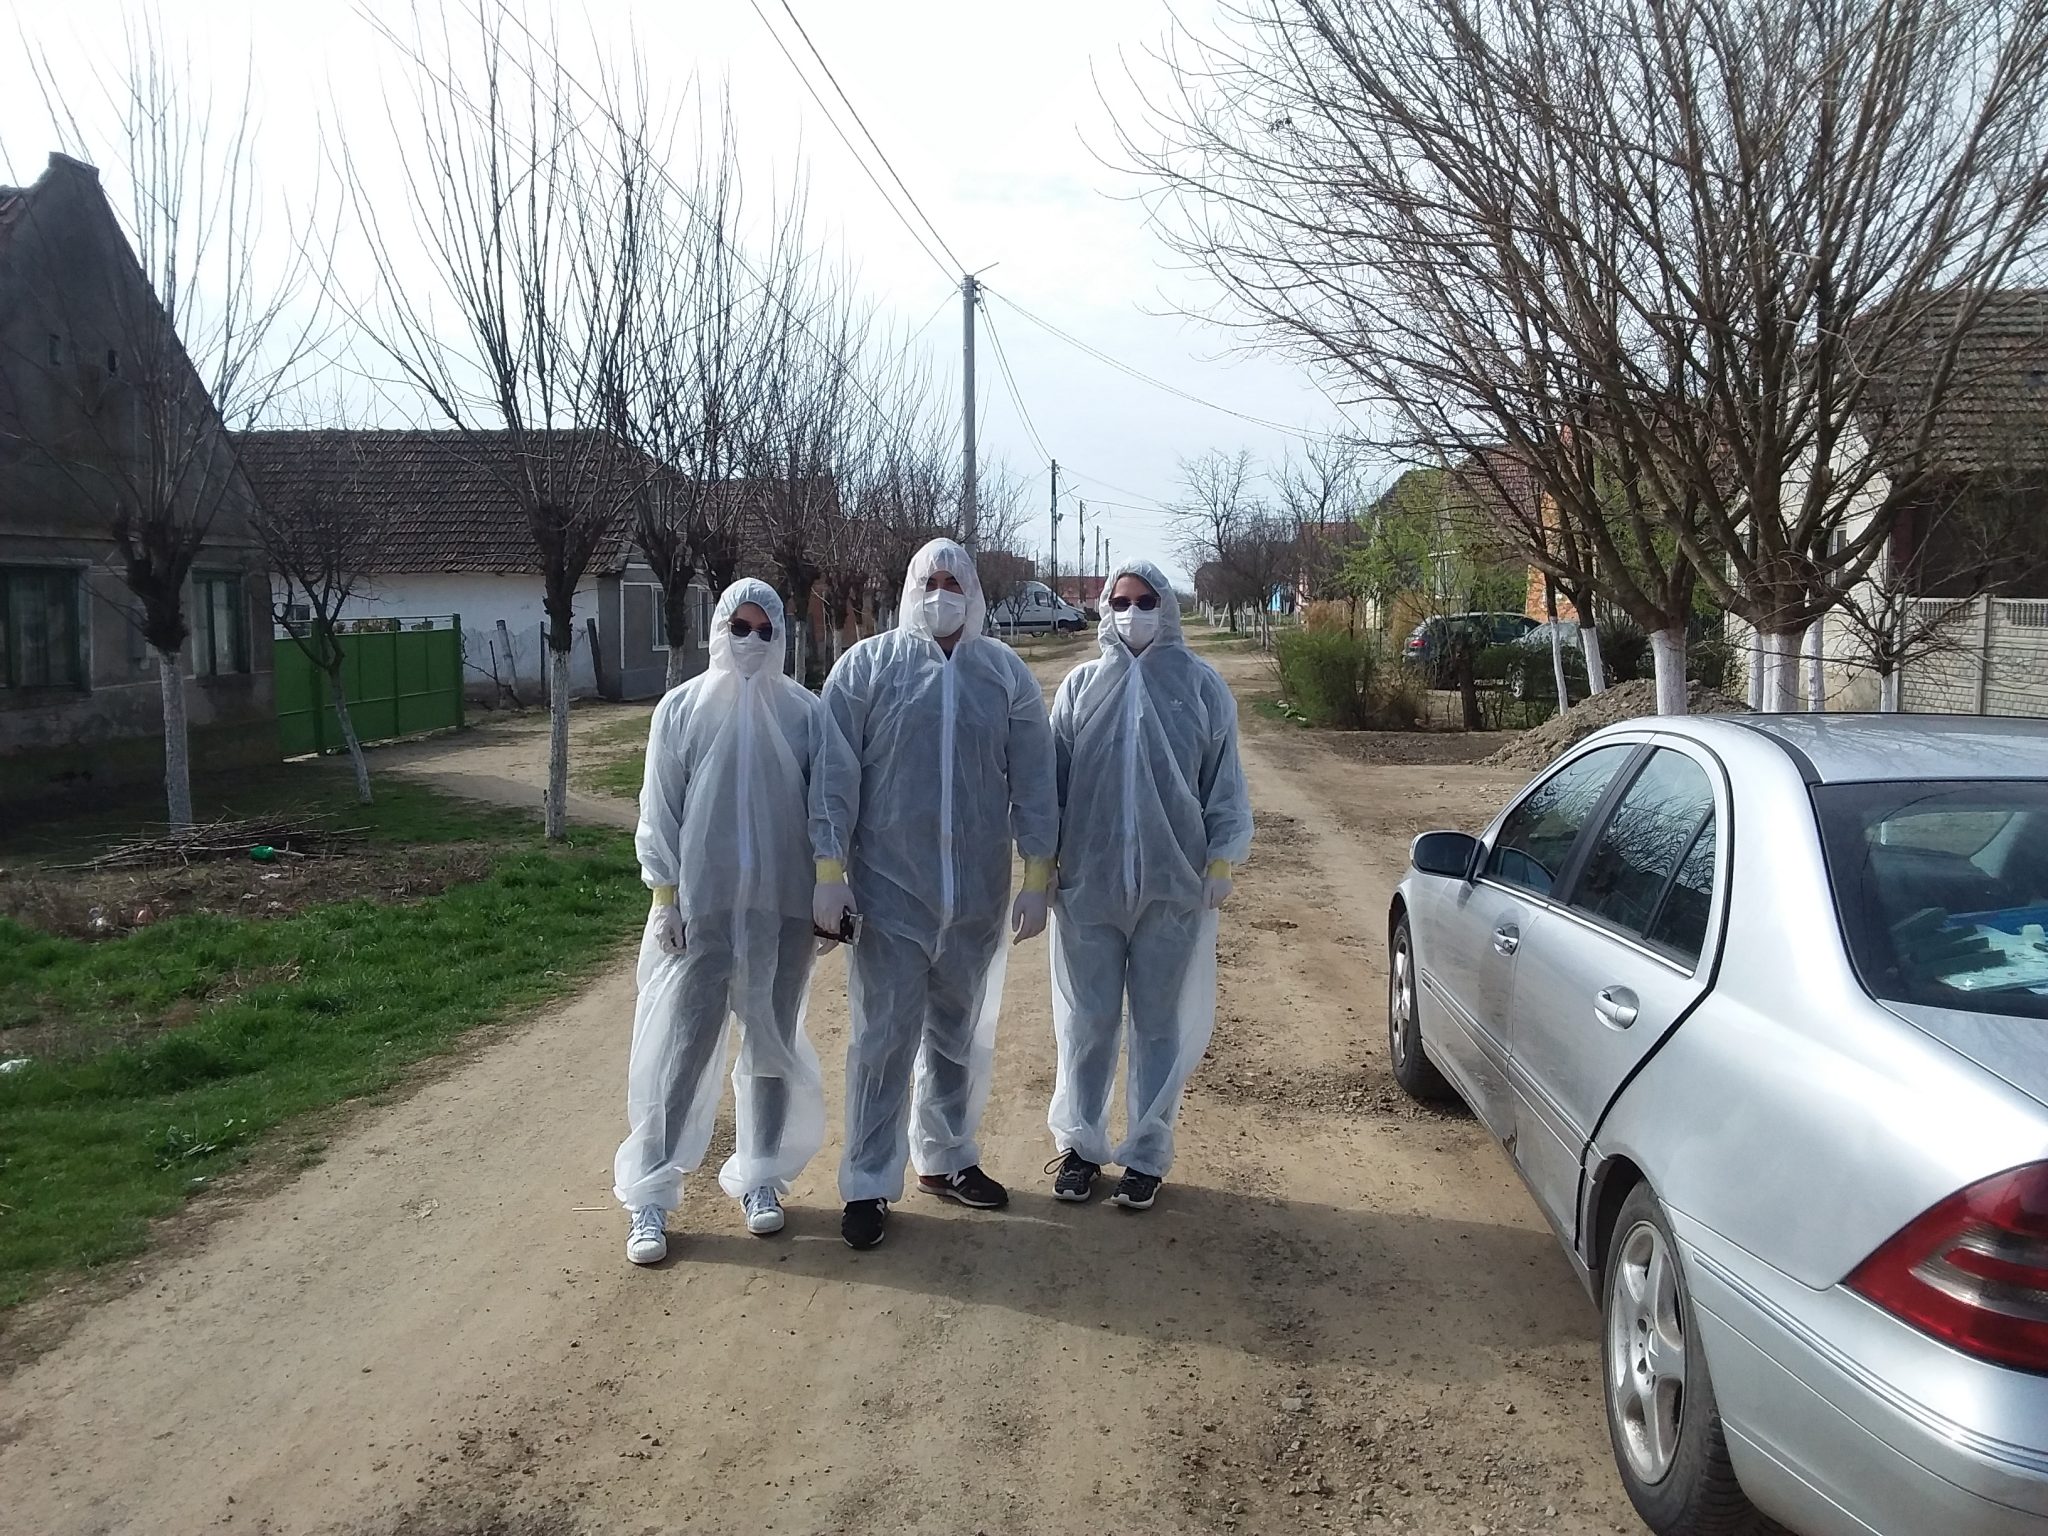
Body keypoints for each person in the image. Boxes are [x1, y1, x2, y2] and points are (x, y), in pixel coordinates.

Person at [811, 538, 1059, 1250]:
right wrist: (829, 874)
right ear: (910, 589)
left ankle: (946, 1158)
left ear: (974, 592)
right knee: (882, 1040)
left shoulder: (1003, 674)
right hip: (889, 894)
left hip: (974, 894)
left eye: (955, 582)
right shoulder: (865, 668)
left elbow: (1035, 781)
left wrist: (1036, 877)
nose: (942, 594)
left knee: (958, 1035)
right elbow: (833, 781)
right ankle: (866, 1182)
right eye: (930, 581)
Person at [614, 579, 829, 1266]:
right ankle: (651, 1192)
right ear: (718, 629)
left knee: (770, 1046)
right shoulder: (680, 711)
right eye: (740, 626)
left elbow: (825, 809)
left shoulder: (805, 713)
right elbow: (660, 809)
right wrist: (664, 897)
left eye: (766, 630)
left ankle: (761, 1174)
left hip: (781, 908)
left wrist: (828, 891)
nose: (753, 641)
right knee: (682, 1050)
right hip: (702, 910)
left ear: (782, 636)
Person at [1045, 561, 1252, 1210]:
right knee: (1089, 1022)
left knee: (1158, 1024)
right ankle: (1081, 1147)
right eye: (1120, 600)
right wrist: (1040, 867)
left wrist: (1221, 860)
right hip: (1089, 887)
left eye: (1144, 599)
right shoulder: (1080, 688)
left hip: (1174, 887)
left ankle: (1146, 1154)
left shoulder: (1201, 687)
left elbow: (1224, 783)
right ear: (1105, 609)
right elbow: (1050, 788)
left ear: (1166, 606)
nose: (1132, 612)